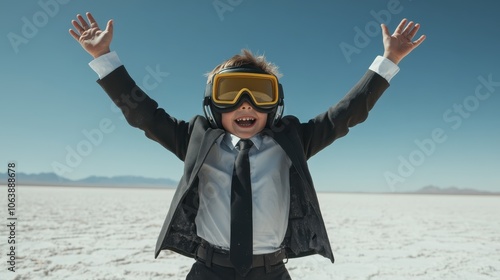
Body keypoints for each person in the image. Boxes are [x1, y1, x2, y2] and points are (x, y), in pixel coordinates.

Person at [69, 12, 425, 280]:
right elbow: (143, 113)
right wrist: (105, 59)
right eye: (231, 91)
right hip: (209, 270)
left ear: (274, 105)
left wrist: (388, 61)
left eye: (259, 94)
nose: (245, 104)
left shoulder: (293, 142)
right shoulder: (194, 139)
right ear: (213, 104)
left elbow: (345, 114)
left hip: (271, 272)